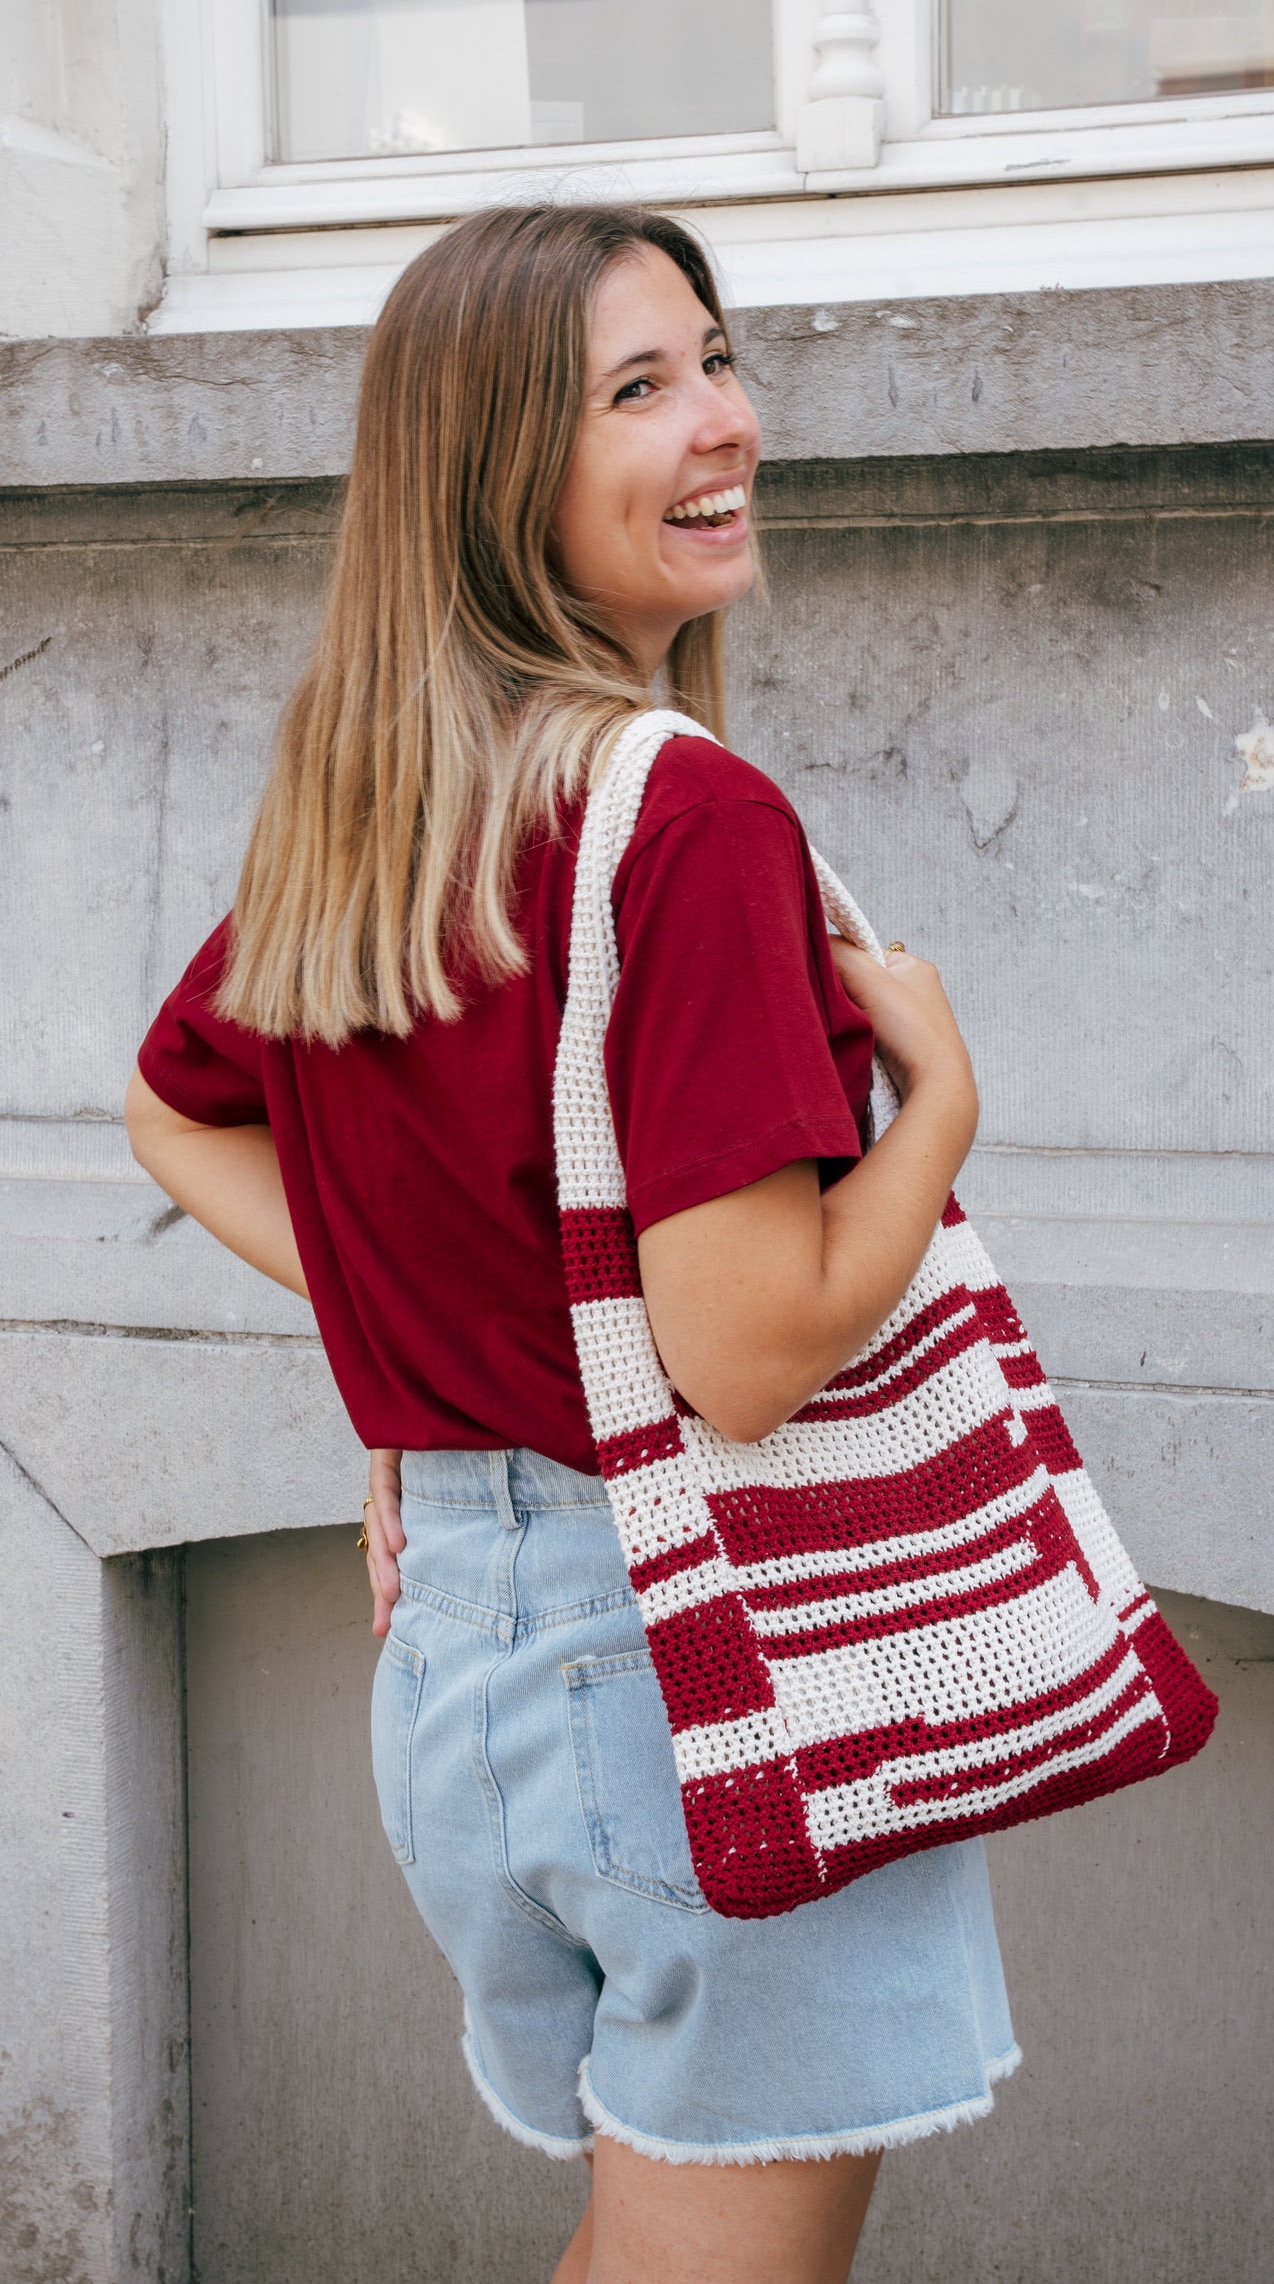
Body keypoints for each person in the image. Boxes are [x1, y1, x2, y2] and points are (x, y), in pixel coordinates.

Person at [127, 205, 1016, 2284]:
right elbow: (745, 1355)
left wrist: (440, 1354)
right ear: (492, 472)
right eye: (638, 389)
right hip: (698, 1659)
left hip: (460, 1658)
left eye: (715, 359)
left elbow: (175, 1110)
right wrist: (943, 1100)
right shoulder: (690, 825)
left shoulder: (372, 803)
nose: (726, 421)